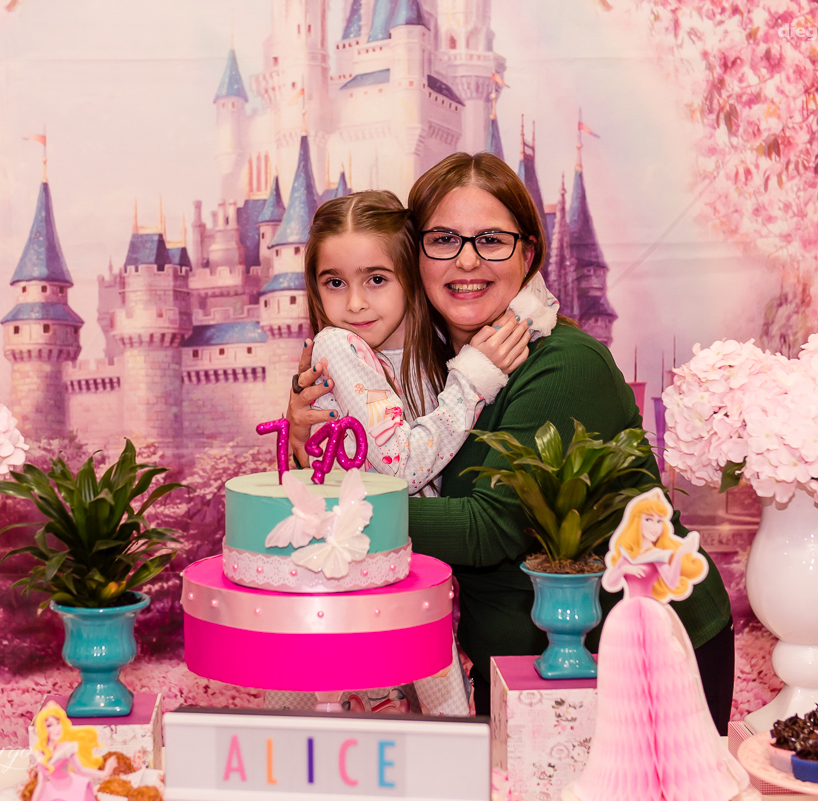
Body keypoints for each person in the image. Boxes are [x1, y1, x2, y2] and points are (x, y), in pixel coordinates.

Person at [288, 151, 733, 725]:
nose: (467, 260)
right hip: (517, 669)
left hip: (635, 656)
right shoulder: (434, 368)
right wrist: (313, 436)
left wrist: (326, 514)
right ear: (414, 258)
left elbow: (489, 529)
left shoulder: (564, 365)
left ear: (528, 254)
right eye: (443, 239)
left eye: (492, 240)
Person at [300, 189, 557, 495]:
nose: (355, 304)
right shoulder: (338, 345)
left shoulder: (434, 338)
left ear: (412, 275)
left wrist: (522, 313)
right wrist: (474, 377)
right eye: (335, 283)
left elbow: (539, 300)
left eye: (377, 280)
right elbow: (402, 470)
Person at [573, 488, 749, 801]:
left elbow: (669, 583)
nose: (655, 526)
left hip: (655, 618)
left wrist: (678, 557)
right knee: (627, 695)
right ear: (637, 521)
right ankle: (632, 776)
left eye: (659, 520)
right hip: (626, 620)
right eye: (649, 520)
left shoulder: (661, 554)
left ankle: (673, 774)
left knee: (668, 689)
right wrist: (625, 567)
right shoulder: (625, 552)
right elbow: (610, 581)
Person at [28, 702, 115, 801]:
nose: (57, 728)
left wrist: (104, 773)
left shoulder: (66, 747)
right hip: (54, 792)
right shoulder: (40, 753)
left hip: (74, 790)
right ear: (42, 729)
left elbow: (80, 770)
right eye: (49, 725)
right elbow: (41, 783)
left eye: (58, 723)